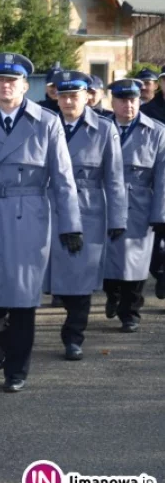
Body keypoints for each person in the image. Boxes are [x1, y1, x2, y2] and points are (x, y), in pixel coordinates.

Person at [0, 53, 82, 393]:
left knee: (22, 297)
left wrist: (71, 224)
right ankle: (4, 337)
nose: (6, 85)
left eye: (13, 80)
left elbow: (63, 178)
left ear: (24, 86)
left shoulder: (46, 122)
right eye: (1, 80)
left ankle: (16, 369)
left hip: (29, 215)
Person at [43, 71, 126, 360]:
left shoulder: (103, 129)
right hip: (48, 206)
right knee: (46, 276)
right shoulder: (45, 124)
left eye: (74, 96)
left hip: (87, 210)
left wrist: (118, 218)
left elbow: (114, 177)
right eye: (63, 96)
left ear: (87, 97)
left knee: (80, 278)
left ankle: (74, 336)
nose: (68, 101)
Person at [103, 79, 165, 333]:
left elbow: (162, 177)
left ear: (140, 100)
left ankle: (131, 312)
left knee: (136, 262)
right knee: (107, 258)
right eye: (122, 100)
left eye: (133, 100)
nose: (128, 105)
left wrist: (160, 214)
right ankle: (113, 294)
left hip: (139, 203)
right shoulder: (100, 128)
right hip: (105, 202)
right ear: (112, 102)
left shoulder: (156, 131)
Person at [138, 67, 165, 298]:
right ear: (160, 84)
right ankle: (159, 271)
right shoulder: (147, 111)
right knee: (154, 242)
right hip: (155, 182)